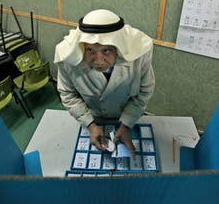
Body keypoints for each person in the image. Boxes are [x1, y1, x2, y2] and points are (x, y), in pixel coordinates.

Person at [54, 9, 155, 157]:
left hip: (126, 114)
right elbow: (67, 93)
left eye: (106, 50)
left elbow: (145, 91)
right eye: (90, 50)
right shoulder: (69, 59)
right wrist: (90, 124)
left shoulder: (139, 56)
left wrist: (126, 124)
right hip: (91, 115)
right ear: (81, 46)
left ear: (119, 48)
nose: (99, 61)